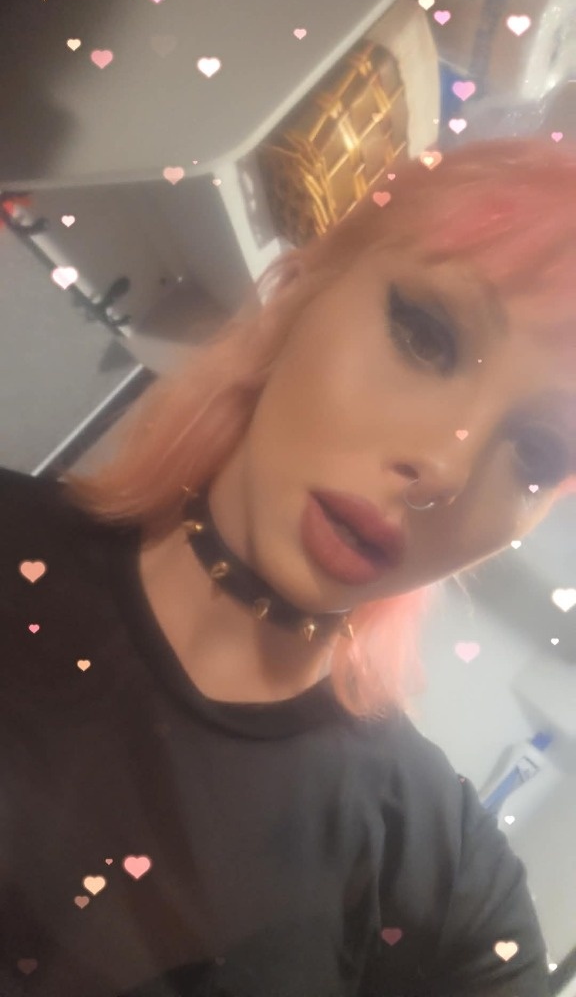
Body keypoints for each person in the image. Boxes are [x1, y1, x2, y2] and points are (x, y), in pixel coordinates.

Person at [1, 136, 575, 997]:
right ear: (303, 288)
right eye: (425, 334)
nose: (445, 469)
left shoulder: (439, 876)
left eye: (537, 452)